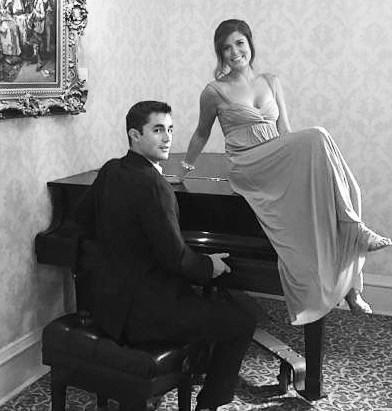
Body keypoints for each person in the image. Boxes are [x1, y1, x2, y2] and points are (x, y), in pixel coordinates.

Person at [176, 19, 392, 403]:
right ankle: (354, 235)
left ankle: (351, 282)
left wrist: (301, 172)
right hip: (247, 165)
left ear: (250, 44)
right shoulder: (214, 91)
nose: (234, 52)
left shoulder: (271, 81)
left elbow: (287, 132)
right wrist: (184, 169)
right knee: (320, 135)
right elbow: (201, 132)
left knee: (341, 184)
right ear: (219, 53)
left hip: (276, 158)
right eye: (226, 47)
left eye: (239, 43)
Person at [74, 100, 257, 411]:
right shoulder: (154, 185)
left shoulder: (110, 170)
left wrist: (124, 251)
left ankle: (188, 370)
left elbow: (82, 218)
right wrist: (208, 265)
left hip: (108, 305)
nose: (168, 138)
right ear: (134, 135)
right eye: (157, 130)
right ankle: (210, 403)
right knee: (243, 319)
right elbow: (176, 258)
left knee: (209, 306)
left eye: (170, 130)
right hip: (144, 316)